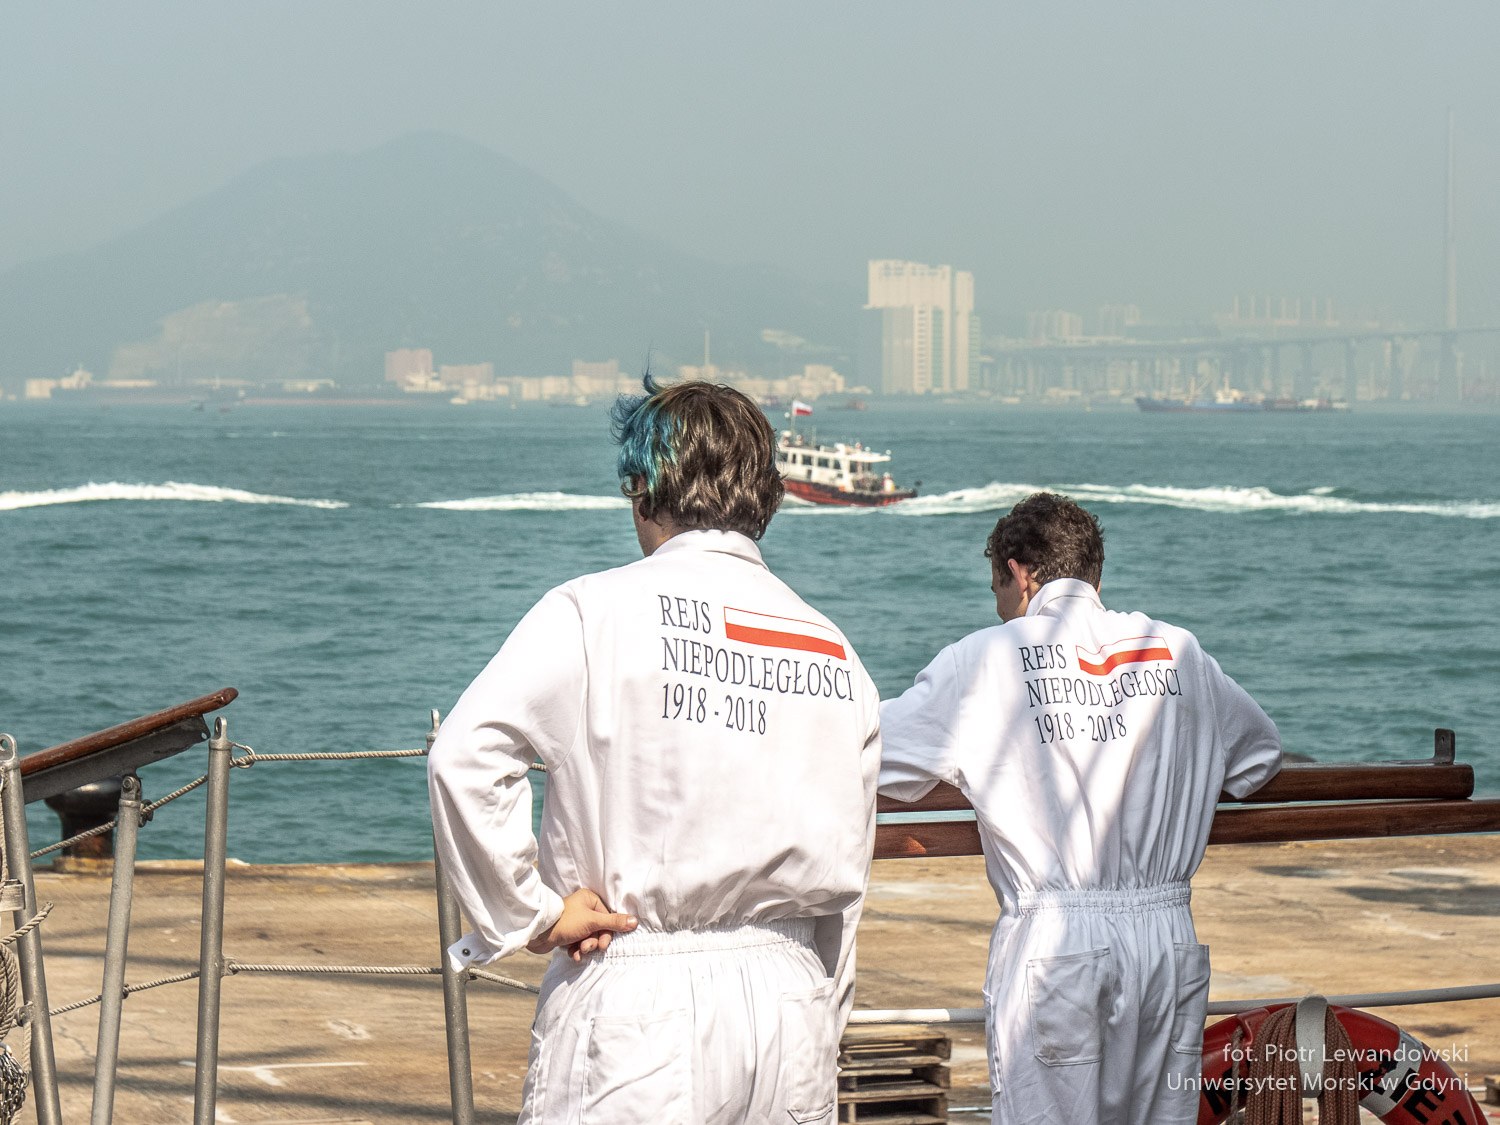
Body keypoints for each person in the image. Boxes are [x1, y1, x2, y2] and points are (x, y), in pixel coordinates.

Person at [428, 375, 881, 1125]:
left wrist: (532, 914)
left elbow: (465, 755)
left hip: (637, 994)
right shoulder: (833, 649)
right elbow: (850, 877)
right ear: (766, 495)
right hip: (791, 1003)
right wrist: (819, 1016)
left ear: (643, 490)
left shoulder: (593, 610)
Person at [878, 492, 1281, 1125]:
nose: (999, 603)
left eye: (997, 587)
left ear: (1019, 574)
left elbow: (872, 755)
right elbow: (1259, 758)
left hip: (1057, 943)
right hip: (1166, 939)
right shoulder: (1179, 651)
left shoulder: (985, 658)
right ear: (1095, 574)